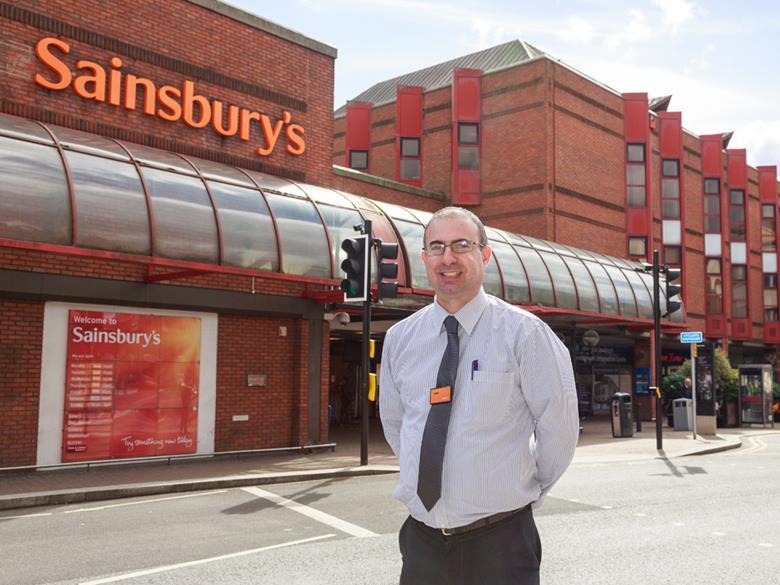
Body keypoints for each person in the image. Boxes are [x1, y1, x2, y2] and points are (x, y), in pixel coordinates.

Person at [380, 207, 579, 585]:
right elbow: (397, 423)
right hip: (421, 543)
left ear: (485, 254)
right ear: (424, 259)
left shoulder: (526, 335)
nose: (448, 258)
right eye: (436, 247)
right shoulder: (399, 339)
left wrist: (522, 493)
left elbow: (560, 429)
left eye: (461, 245)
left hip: (500, 544)